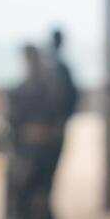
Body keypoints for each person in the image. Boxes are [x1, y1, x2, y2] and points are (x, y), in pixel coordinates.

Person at [3, 43, 63, 219]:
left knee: (18, 207)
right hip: (43, 156)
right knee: (40, 205)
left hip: (27, 156)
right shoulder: (51, 90)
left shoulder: (22, 91)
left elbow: (12, 123)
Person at [47, 28, 79, 175]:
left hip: (53, 122)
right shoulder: (58, 66)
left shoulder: (48, 63)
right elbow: (72, 95)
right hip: (55, 123)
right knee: (50, 165)